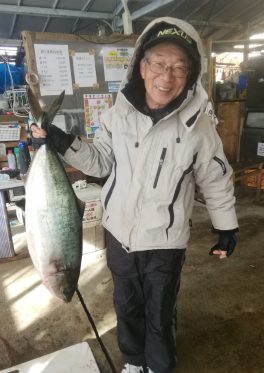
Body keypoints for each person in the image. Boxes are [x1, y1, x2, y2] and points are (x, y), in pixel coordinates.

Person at [31, 16, 238, 373]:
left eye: (178, 67)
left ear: (190, 74)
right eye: (158, 63)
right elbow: (99, 161)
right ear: (141, 67)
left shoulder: (200, 127)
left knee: (159, 309)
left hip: (165, 240)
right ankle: (133, 360)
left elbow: (216, 179)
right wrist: (62, 142)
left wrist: (227, 226)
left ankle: (158, 365)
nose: (166, 75)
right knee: (126, 305)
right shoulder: (117, 115)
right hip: (120, 233)